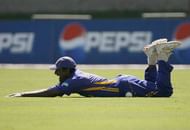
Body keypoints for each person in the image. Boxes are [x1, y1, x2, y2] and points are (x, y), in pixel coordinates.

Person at [9, 38, 181, 98]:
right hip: (124, 83)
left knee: (163, 92)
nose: (55, 73)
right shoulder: (76, 75)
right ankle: (152, 57)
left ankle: (162, 56)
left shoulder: (75, 80)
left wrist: (23, 94)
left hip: (124, 85)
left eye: (58, 70)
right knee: (152, 86)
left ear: (68, 70)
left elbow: (52, 92)